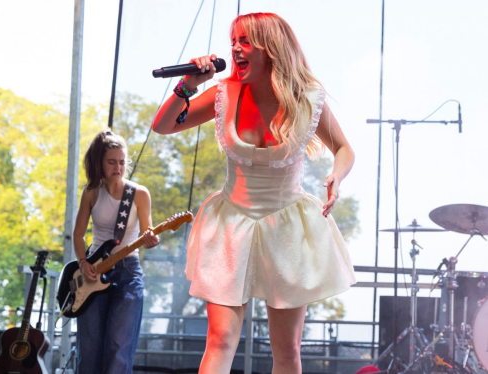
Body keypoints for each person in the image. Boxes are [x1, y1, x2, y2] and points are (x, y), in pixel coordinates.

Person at [152, 12, 356, 374]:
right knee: (219, 339)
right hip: (230, 223)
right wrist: (188, 84)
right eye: (233, 42)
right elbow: (164, 126)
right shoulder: (223, 94)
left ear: (271, 48)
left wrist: (336, 177)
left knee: (287, 351)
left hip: (287, 227)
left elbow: (344, 149)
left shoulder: (308, 100)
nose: (235, 49)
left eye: (244, 41)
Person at [73, 129, 159, 374]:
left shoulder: (139, 194)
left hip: (127, 273)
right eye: (112, 162)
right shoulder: (91, 192)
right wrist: (82, 262)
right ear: (100, 162)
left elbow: (148, 231)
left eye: (122, 162)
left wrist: (152, 239)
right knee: (88, 351)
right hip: (94, 271)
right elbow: (78, 234)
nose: (118, 167)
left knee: (118, 349)